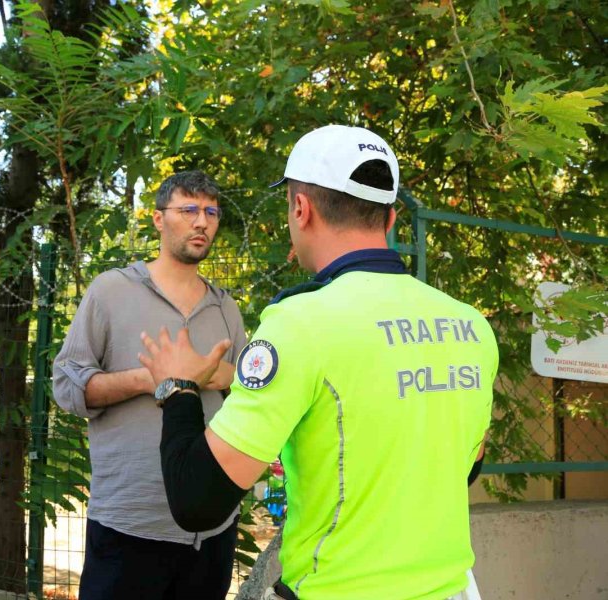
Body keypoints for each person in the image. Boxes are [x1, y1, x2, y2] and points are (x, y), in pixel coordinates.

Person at [138, 126, 497, 600]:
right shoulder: (471, 325)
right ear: (390, 218)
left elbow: (197, 501)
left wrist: (178, 387)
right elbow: (465, 468)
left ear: (301, 210)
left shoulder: (299, 323)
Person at [52, 171, 248, 600]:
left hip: (211, 526)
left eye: (211, 212)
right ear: (158, 219)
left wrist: (216, 375)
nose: (202, 222)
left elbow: (250, 393)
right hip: (129, 524)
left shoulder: (225, 308)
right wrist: (149, 380)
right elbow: (67, 387)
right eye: (189, 209)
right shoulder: (111, 291)